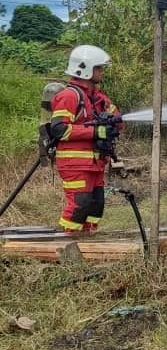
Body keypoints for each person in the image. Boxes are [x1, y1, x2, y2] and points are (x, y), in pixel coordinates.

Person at [48, 45, 122, 233]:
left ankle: (87, 241)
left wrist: (113, 120)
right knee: (79, 205)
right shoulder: (69, 96)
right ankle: (67, 245)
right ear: (86, 69)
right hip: (75, 162)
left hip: (95, 162)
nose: (102, 72)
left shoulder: (97, 98)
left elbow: (118, 121)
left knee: (96, 206)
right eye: (99, 68)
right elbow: (59, 129)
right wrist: (96, 132)